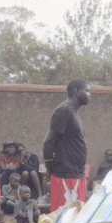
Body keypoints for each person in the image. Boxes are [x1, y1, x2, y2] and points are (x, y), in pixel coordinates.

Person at [43, 78, 91, 212]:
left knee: (76, 219)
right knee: (63, 219)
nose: (90, 95)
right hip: (64, 176)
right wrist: (49, 167)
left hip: (77, 174)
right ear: (76, 91)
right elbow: (48, 142)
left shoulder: (73, 113)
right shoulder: (64, 110)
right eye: (86, 91)